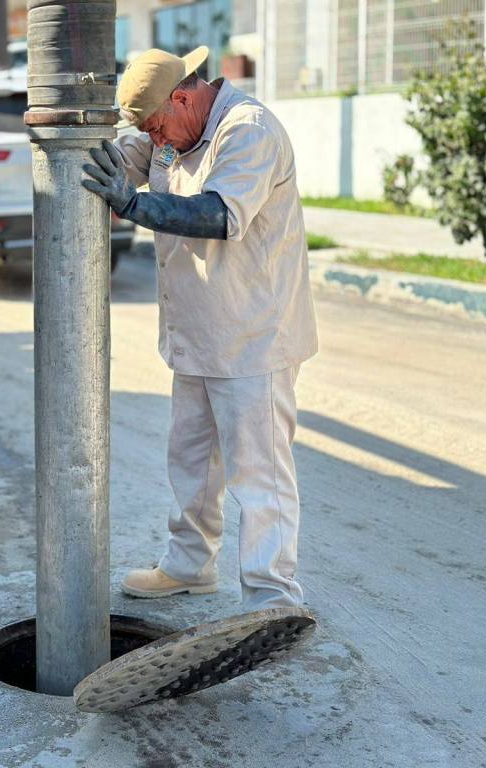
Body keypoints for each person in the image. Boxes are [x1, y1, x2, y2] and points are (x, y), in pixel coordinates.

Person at [81, 46, 318, 613]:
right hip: (198, 332)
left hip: (253, 336)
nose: (156, 140)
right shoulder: (167, 133)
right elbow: (123, 158)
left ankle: (272, 597)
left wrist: (134, 205)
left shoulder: (248, 131)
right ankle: (190, 565)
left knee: (259, 472)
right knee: (191, 462)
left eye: (159, 125)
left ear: (184, 97)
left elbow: (218, 215)